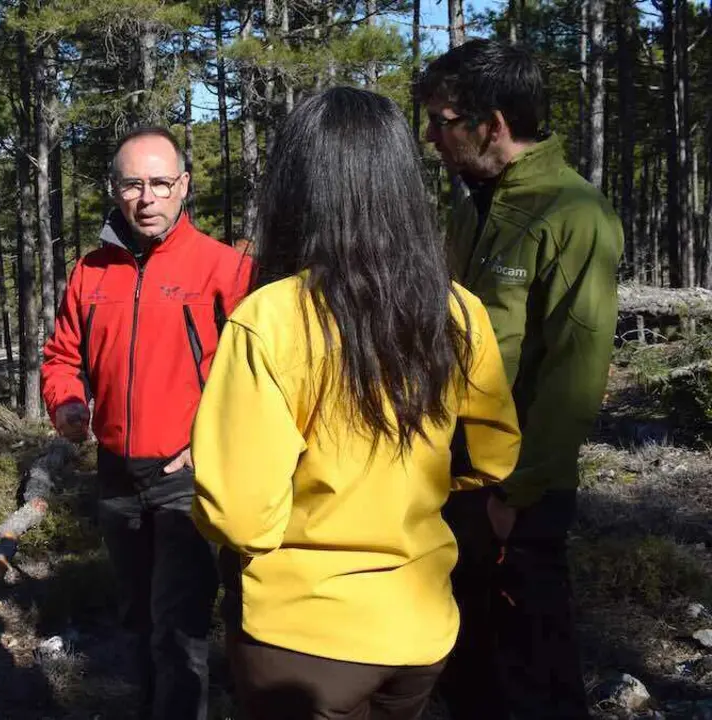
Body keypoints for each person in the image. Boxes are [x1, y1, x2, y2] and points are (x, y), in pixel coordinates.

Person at [189, 86, 523, 720]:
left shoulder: (273, 317)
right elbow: (493, 454)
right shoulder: (458, 310)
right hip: (420, 629)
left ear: (298, 188)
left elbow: (240, 516)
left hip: (301, 641)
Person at [415, 39, 623, 720]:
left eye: (444, 121)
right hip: (455, 479)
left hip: (514, 494)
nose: (432, 137)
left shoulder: (572, 214)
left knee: (530, 671)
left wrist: (520, 493)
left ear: (493, 124)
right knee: (468, 668)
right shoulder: (474, 205)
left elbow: (574, 372)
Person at [41, 126, 252, 720]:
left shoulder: (224, 269)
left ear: (184, 186)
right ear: (115, 188)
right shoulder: (91, 271)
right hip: (115, 474)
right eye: (134, 184)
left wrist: (211, 442)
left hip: (188, 477)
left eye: (161, 183)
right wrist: (67, 404)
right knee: (135, 618)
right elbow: (61, 355)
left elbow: (256, 376)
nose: (147, 197)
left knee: (179, 627)